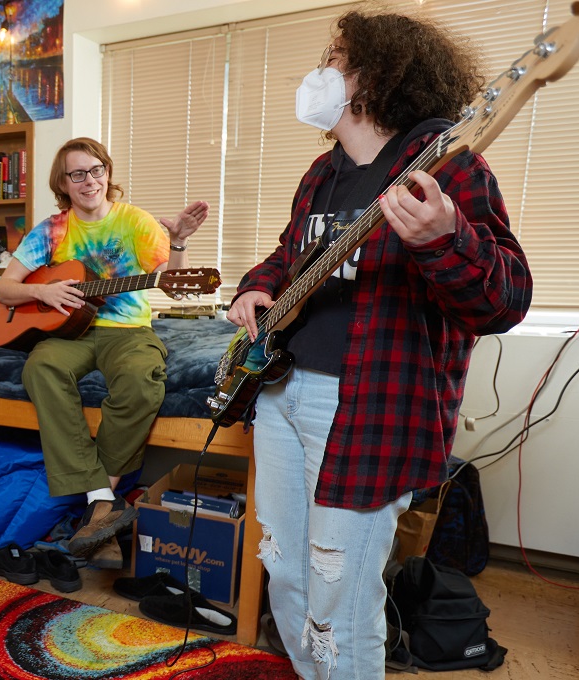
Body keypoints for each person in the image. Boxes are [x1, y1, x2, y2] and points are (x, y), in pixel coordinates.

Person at [221, 10, 532, 678]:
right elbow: (286, 258)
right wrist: (253, 288)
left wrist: (444, 235)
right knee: (285, 577)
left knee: (340, 600)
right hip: (280, 393)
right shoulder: (319, 174)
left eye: (338, 55)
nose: (322, 69)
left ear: (385, 72)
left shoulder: (447, 166)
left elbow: (506, 299)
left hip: (368, 414)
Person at [0, 137, 207, 569]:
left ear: (107, 173)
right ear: (64, 183)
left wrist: (178, 242)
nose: (89, 181)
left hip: (127, 331)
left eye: (96, 171)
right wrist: (46, 291)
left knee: (143, 382)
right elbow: (3, 289)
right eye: (78, 174)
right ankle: (104, 500)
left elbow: (170, 280)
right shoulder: (52, 230)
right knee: (41, 368)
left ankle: (96, 503)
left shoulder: (136, 222)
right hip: (70, 334)